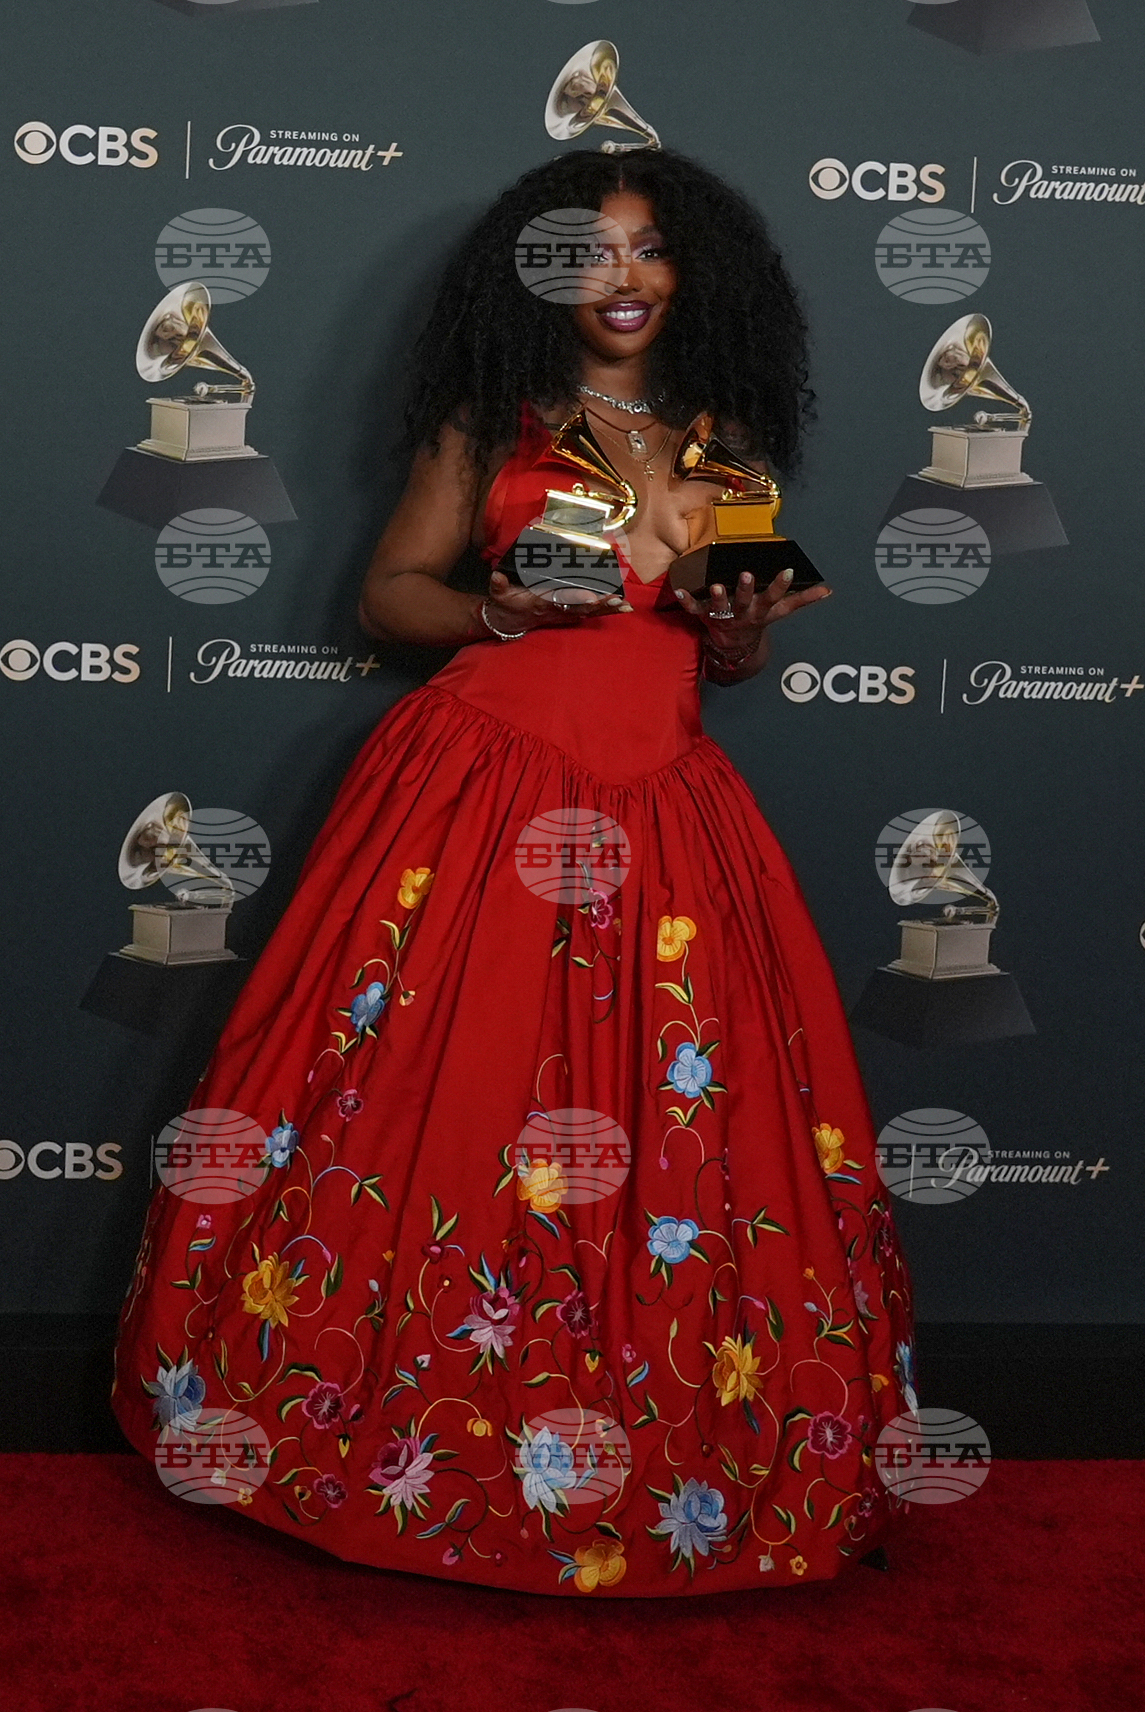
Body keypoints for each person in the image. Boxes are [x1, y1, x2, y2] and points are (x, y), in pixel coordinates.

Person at [111, 146, 915, 1596]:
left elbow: (726, 644)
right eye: (587, 251)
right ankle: (384, 1446)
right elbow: (387, 595)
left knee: (675, 1125)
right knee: (451, 1090)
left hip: (665, 815)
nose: (621, 274)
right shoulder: (491, 422)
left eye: (650, 248)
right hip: (478, 799)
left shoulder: (723, 448)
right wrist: (495, 607)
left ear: (693, 275)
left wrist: (739, 631)